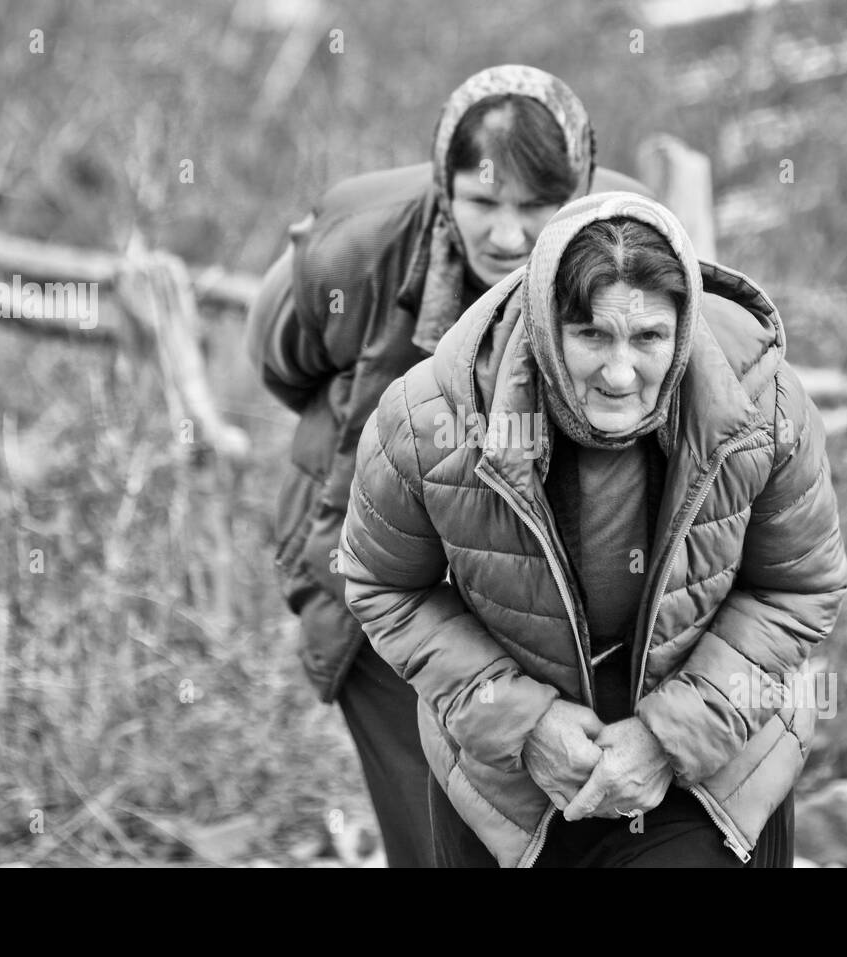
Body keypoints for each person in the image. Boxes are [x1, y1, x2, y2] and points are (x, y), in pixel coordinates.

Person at [339, 192, 847, 867]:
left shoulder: (763, 405)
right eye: (591, 335)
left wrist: (668, 737)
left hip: (709, 754)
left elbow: (798, 588)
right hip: (510, 780)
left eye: (648, 338)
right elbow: (383, 585)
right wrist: (524, 723)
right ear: (548, 324)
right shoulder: (432, 419)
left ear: (683, 328)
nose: (619, 372)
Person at [244, 66, 650, 868]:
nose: (505, 234)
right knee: (434, 829)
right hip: (375, 571)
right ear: (445, 186)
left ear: (578, 191)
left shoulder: (628, 241)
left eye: (536, 207)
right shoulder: (357, 244)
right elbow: (281, 360)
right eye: (482, 202)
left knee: (550, 814)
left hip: (531, 578)